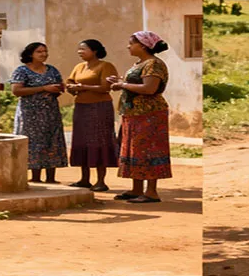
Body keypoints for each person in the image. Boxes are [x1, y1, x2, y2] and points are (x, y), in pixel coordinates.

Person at [107, 31, 171, 204]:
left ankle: (151, 192)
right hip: (134, 113)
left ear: (143, 45)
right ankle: (136, 189)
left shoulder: (153, 64)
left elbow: (149, 88)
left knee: (149, 150)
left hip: (149, 114)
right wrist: (120, 81)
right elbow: (137, 83)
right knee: (135, 150)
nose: (128, 46)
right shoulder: (140, 63)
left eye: (131, 43)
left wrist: (122, 85)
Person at [65, 40, 120, 192]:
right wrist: (70, 87)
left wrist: (83, 87)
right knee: (82, 141)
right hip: (81, 107)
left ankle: (101, 181)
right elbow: (70, 81)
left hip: (99, 108)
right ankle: (84, 179)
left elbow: (106, 87)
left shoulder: (105, 66)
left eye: (83, 49)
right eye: (79, 49)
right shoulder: (79, 67)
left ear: (94, 51)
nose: (79, 52)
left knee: (99, 141)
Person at [10, 42, 69, 183]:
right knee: (34, 142)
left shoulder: (52, 70)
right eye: (39, 52)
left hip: (50, 113)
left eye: (45, 51)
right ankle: (35, 177)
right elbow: (16, 91)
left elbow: (59, 86)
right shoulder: (22, 71)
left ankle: (51, 177)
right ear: (31, 54)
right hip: (30, 114)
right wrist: (43, 88)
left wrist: (57, 89)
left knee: (52, 141)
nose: (44, 54)